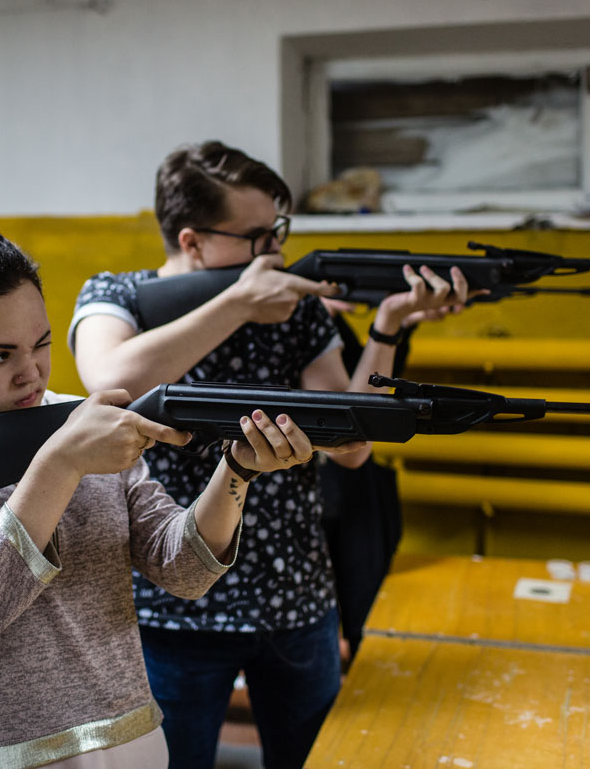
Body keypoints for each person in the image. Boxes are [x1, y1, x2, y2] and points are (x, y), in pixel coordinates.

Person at [0, 189, 353, 768]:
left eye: (41, 345)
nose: (32, 373)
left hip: (132, 740)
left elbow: (184, 569)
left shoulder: (81, 421)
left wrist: (237, 470)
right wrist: (59, 465)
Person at [68, 140, 473, 768]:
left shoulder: (293, 310)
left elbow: (353, 448)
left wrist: (389, 324)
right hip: (172, 610)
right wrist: (236, 304)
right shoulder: (118, 295)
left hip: (296, 601)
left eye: (277, 231)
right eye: (256, 236)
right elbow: (108, 380)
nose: (275, 253)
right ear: (193, 241)